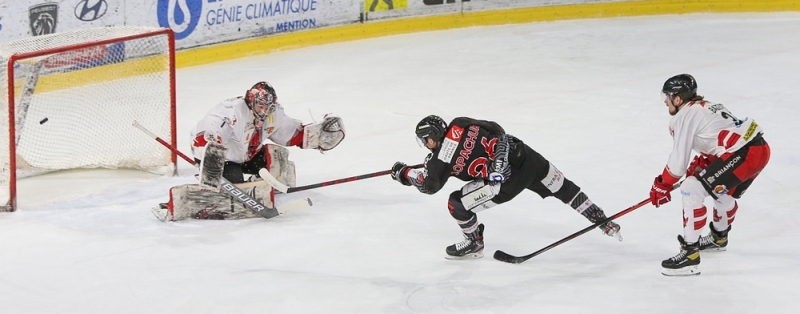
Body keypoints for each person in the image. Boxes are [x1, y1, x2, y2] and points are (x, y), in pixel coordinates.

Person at [391, 115, 622, 260]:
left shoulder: (438, 162)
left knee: (456, 204)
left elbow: (429, 186)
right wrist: (500, 155)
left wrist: (405, 173)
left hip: (503, 183)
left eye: (424, 140)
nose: (425, 145)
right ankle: (601, 219)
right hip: (526, 157)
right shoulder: (459, 123)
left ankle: (474, 243)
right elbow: (497, 128)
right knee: (564, 189)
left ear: (431, 138)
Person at [152, 81, 346, 221]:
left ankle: (262, 184)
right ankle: (216, 195)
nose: (264, 111)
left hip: (248, 154)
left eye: (268, 107)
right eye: (260, 106)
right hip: (222, 157)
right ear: (250, 101)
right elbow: (205, 137)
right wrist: (210, 163)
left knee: (276, 157)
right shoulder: (229, 113)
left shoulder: (273, 112)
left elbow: (291, 134)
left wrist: (317, 136)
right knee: (235, 183)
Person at [649, 74, 770, 276]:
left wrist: (663, 184)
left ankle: (690, 255)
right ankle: (719, 237)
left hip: (745, 154)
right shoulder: (706, 106)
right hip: (758, 149)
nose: (665, 101)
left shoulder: (684, 116)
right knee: (722, 192)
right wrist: (711, 160)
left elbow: (678, 164)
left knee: (690, 188)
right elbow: (723, 136)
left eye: (668, 96)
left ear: (678, 99)